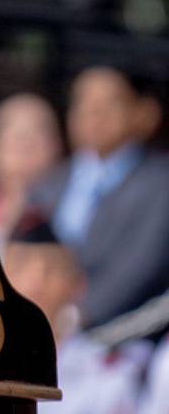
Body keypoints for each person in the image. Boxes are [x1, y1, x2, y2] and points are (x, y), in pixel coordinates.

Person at [28, 66, 169, 327]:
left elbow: (141, 267)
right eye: (81, 102)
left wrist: (76, 316)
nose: (92, 113)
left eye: (109, 103)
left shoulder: (160, 185)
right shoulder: (48, 183)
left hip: (121, 336)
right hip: (37, 326)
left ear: (145, 113)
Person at [4, 214, 151, 414]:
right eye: (20, 266)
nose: (35, 283)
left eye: (51, 270)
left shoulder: (107, 373)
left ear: (77, 284)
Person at [0, 93, 64, 247]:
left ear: (58, 148)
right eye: (10, 132)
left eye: (38, 134)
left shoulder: (74, 219)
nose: (24, 146)